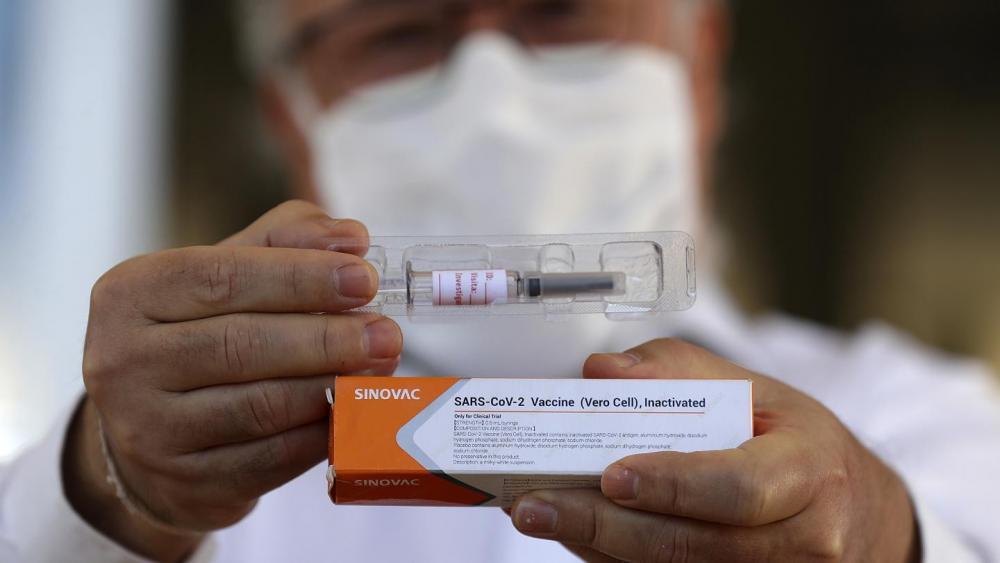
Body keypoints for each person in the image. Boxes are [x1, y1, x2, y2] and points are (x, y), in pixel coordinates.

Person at [3, 0, 1000, 561]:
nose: (493, 95)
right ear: (293, 119)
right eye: (397, 31)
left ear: (697, 59)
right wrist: (105, 486)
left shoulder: (921, 422)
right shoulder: (219, 476)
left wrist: (886, 540)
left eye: (561, 11)